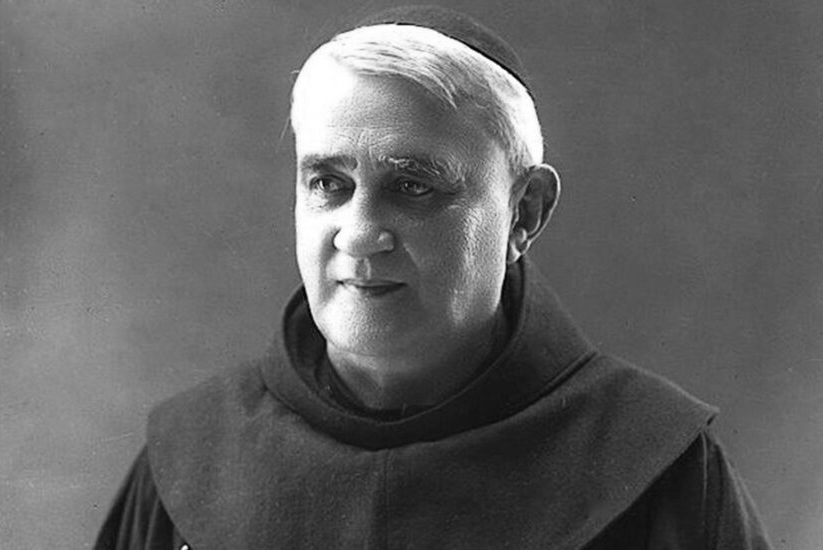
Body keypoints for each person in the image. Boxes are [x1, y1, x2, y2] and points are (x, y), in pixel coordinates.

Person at [95, 6, 772, 549]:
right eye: (328, 183)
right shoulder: (188, 462)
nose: (359, 234)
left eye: (414, 187)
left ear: (523, 213)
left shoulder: (656, 468)